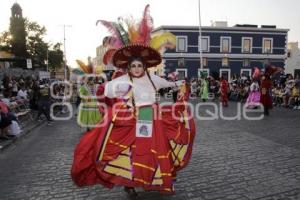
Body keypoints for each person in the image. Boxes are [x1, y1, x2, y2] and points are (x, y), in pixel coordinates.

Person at [71, 5, 195, 196]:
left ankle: (155, 177)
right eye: (134, 65)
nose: (137, 68)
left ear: (144, 66)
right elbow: (107, 92)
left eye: (140, 65)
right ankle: (130, 182)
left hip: (152, 116)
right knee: (134, 151)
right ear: (129, 66)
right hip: (132, 118)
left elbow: (171, 84)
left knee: (154, 149)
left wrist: (182, 84)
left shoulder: (153, 79)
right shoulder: (121, 80)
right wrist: (119, 93)